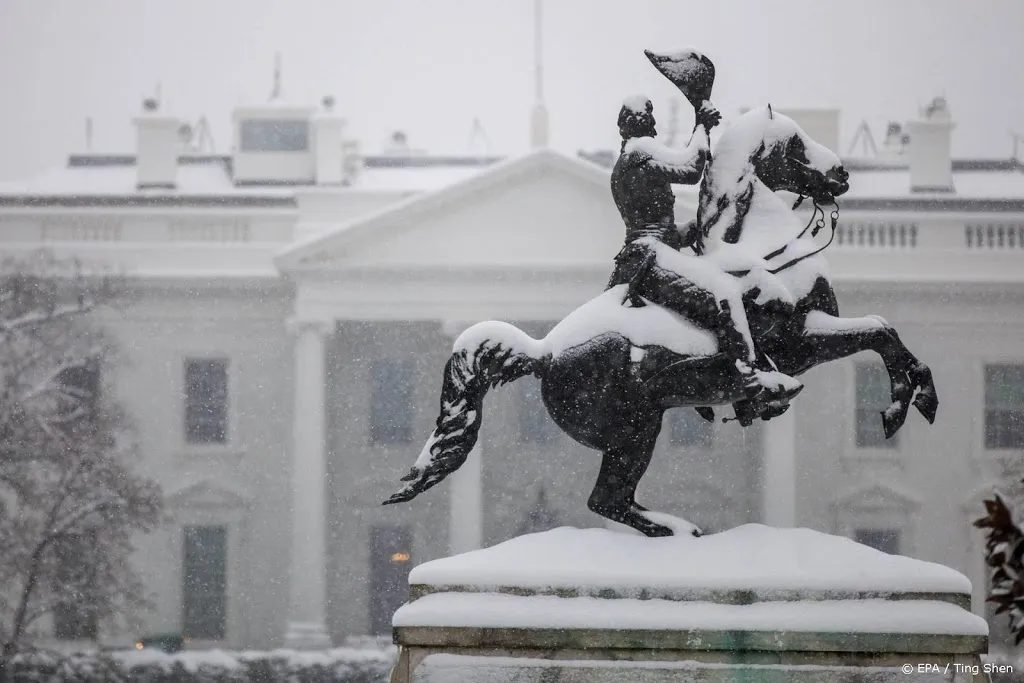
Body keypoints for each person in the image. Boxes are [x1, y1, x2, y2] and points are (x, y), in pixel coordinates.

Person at [607, 95, 802, 415]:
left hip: (646, 253)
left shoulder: (627, 161)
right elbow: (690, 168)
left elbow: (651, 223)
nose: (653, 125)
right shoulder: (640, 150)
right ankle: (749, 381)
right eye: (648, 118)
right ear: (637, 123)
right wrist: (702, 123)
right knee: (725, 295)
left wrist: (689, 231)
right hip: (649, 258)